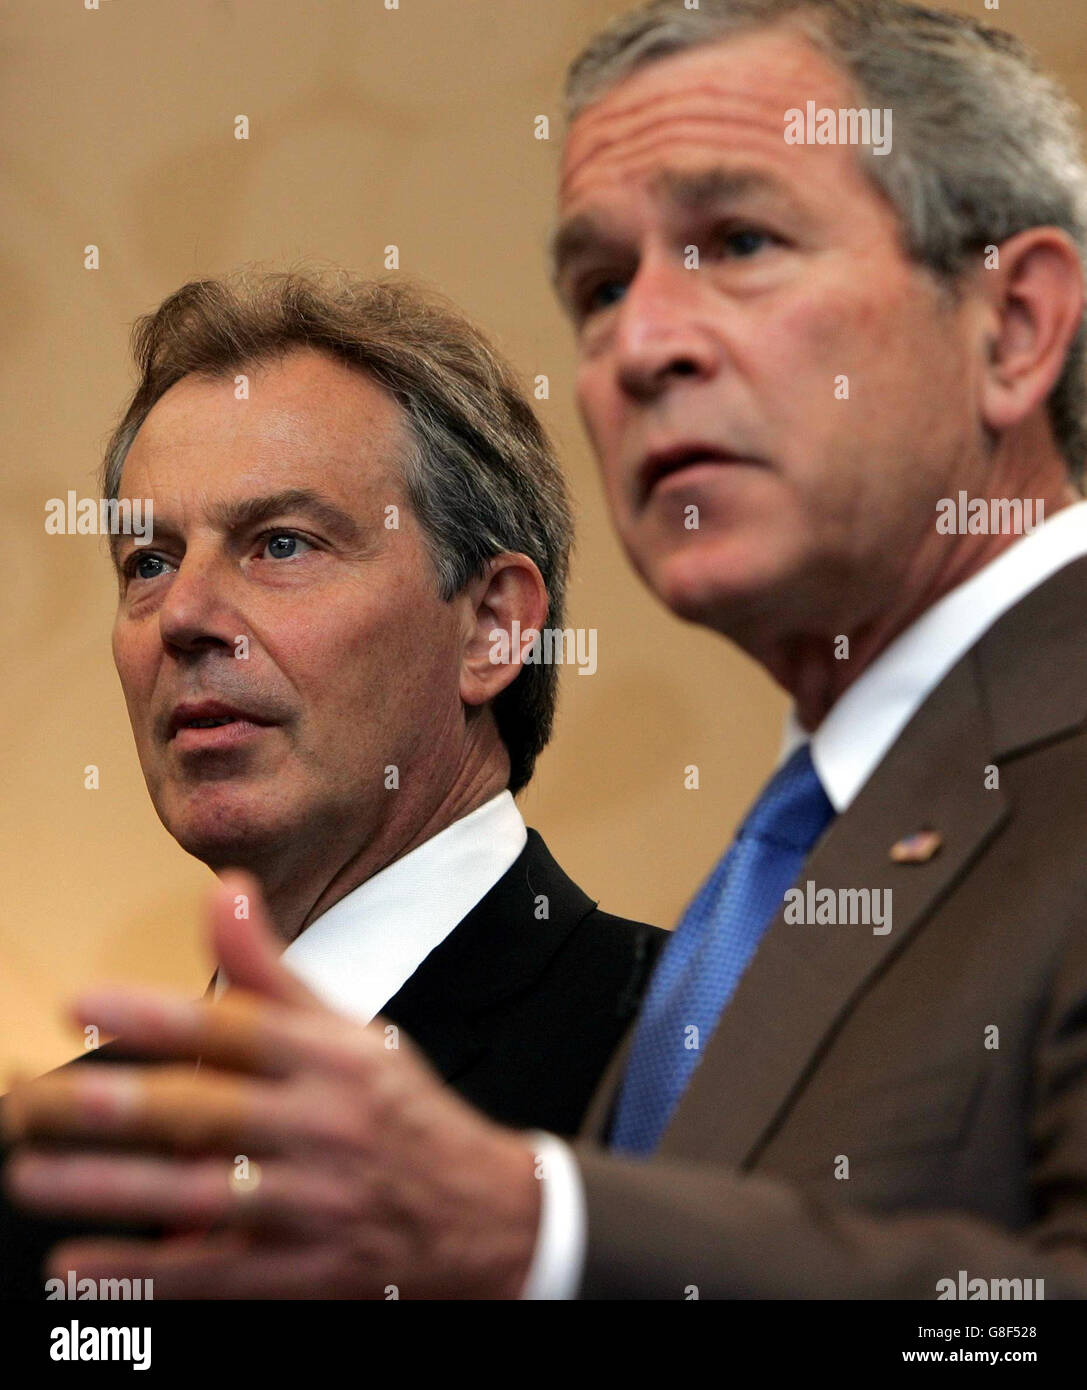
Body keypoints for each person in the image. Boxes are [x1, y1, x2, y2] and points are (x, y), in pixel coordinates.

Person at [8, 0, 1087, 1299]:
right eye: (598, 287)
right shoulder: (807, 879)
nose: (635, 344)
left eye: (738, 241)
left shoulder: (653, 1014)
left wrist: (543, 1238)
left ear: (1013, 322)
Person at [0, 270, 663, 1298]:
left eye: (280, 544)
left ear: (491, 626)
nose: (183, 615)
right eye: (148, 560)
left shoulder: (702, 1050)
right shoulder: (48, 1160)